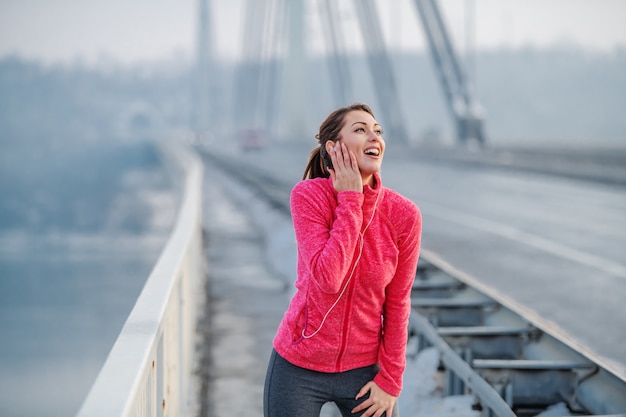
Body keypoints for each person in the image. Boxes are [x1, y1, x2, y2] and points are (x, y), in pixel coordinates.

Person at [264, 103, 422, 417]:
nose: (374, 137)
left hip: (363, 373)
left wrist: (391, 381)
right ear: (333, 148)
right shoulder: (309, 197)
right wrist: (351, 199)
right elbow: (328, 279)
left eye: (377, 131)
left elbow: (399, 301)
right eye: (360, 129)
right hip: (298, 366)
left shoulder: (403, 215)